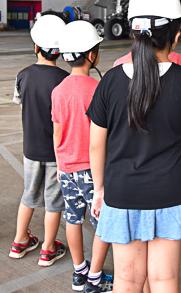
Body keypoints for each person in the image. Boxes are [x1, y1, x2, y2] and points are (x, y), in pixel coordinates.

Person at [88, 0, 181, 293]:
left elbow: (96, 143)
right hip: (172, 192)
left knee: (127, 280)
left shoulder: (110, 81)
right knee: (164, 280)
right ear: (176, 35)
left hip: (122, 193)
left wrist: (100, 189)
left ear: (133, 34)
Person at [52, 21, 113, 292]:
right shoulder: (97, 89)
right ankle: (96, 278)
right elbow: (103, 135)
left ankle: (79, 272)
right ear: (91, 55)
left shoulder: (58, 90)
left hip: (66, 168)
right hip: (92, 169)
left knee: (72, 218)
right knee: (103, 221)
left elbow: (56, 133)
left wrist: (59, 165)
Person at [9, 14, 69, 265]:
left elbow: (19, 100)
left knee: (29, 195)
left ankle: (20, 241)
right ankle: (47, 248)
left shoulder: (23, 75)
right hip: (55, 153)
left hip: (30, 150)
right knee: (54, 202)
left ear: (36, 47)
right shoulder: (64, 80)